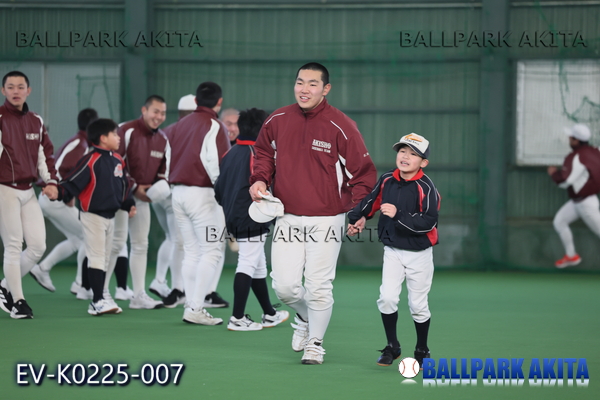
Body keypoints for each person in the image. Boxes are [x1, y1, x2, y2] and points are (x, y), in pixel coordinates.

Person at [249, 62, 377, 364]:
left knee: (319, 286)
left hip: (327, 218)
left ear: (325, 89)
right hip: (287, 216)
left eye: (312, 84)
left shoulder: (342, 125)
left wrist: (361, 212)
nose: (304, 89)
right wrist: (259, 179)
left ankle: (315, 344)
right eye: (300, 82)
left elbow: (363, 174)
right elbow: (264, 154)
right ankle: (305, 318)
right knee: (284, 287)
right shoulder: (277, 119)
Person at [347, 133, 440, 368]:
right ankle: (392, 346)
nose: (405, 157)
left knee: (418, 305)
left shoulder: (427, 187)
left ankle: (422, 349)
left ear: (424, 162)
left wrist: (398, 215)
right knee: (387, 298)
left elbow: (428, 222)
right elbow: (372, 200)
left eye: (413, 154)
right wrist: (358, 218)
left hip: (419, 253)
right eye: (402, 151)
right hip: (392, 250)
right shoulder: (387, 178)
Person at [215, 108, 290, 331]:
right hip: (251, 216)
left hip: (233, 215)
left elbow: (218, 189)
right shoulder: (256, 154)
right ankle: (237, 318)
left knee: (257, 264)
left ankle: (269, 314)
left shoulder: (229, 153)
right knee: (248, 262)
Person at [56, 118, 137, 315]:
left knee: (106, 257)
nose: (118, 137)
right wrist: (59, 193)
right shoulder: (90, 160)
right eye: (114, 134)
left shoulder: (117, 159)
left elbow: (123, 186)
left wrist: (129, 203)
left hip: (110, 217)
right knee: (97, 257)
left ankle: (102, 296)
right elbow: (72, 182)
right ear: (103, 138)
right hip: (92, 217)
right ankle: (97, 301)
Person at [168, 82, 230, 325]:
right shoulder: (215, 125)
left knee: (192, 251)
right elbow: (218, 164)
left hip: (177, 193)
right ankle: (195, 307)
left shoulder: (177, 126)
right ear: (219, 102)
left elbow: (168, 158)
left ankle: (191, 305)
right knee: (212, 251)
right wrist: (224, 194)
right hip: (202, 194)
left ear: (195, 101)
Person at [0, 71, 59, 319]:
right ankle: (18, 302)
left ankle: (4, 286)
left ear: (28, 90)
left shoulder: (36, 120)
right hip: (5, 190)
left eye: (20, 86)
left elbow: (45, 155)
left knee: (37, 246)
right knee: (14, 245)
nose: (16, 91)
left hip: (29, 191)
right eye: (10, 87)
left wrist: (51, 182)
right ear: (3, 91)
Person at [105, 95, 169, 309]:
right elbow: (114, 162)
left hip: (142, 199)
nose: (159, 117)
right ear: (144, 110)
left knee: (141, 244)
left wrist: (153, 190)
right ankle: (102, 294)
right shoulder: (126, 130)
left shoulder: (163, 139)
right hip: (119, 195)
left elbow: (163, 172)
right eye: (155, 111)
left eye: (163, 113)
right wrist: (133, 187)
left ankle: (139, 296)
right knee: (116, 243)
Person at [29, 108, 97, 295]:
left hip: (51, 198)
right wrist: (66, 195)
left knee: (77, 240)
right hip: (54, 198)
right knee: (89, 235)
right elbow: (60, 170)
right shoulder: (80, 144)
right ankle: (81, 285)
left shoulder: (80, 142)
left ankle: (43, 269)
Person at [148, 94, 196, 307]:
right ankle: (178, 289)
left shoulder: (166, 132)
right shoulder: (192, 132)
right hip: (172, 192)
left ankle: (160, 280)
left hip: (155, 192)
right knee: (179, 241)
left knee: (171, 238)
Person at [548, 123, 600, 268]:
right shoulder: (596, 150)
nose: (569, 139)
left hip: (586, 204)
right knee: (559, 221)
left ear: (576, 140)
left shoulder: (574, 157)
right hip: (580, 201)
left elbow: (565, 181)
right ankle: (571, 256)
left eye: (571, 137)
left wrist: (553, 173)